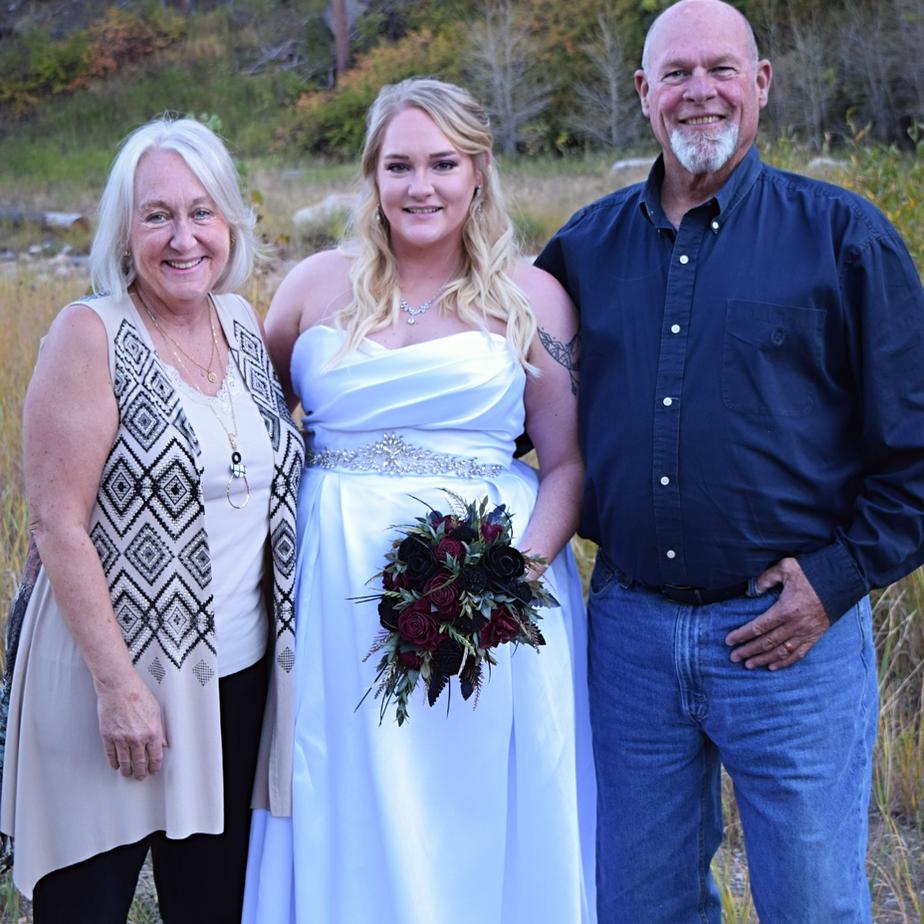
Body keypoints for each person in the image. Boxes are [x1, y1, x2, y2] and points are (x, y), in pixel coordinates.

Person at [536, 1, 924, 921]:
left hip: (792, 638)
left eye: (720, 69)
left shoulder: (845, 237)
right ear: (643, 93)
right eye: (676, 73)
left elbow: (914, 450)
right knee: (638, 904)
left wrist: (835, 581)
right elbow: (507, 413)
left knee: (813, 903)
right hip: (628, 635)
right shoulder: (582, 252)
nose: (698, 91)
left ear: (760, 85)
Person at [242, 77, 596, 923]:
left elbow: (567, 465)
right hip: (334, 597)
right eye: (399, 165)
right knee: (347, 785)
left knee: (465, 799)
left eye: (443, 163)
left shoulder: (532, 300)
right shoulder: (313, 288)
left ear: (478, 172)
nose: (420, 186)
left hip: (490, 592)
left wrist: (508, 578)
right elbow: (246, 427)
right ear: (372, 175)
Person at [0, 117, 304, 923]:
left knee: (212, 905)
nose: (183, 238)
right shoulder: (88, 333)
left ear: (231, 222)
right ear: (123, 230)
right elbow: (57, 523)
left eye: (202, 212)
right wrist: (117, 687)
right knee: (88, 903)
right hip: (114, 679)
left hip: (234, 680)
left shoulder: (241, 323)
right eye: (156, 215)